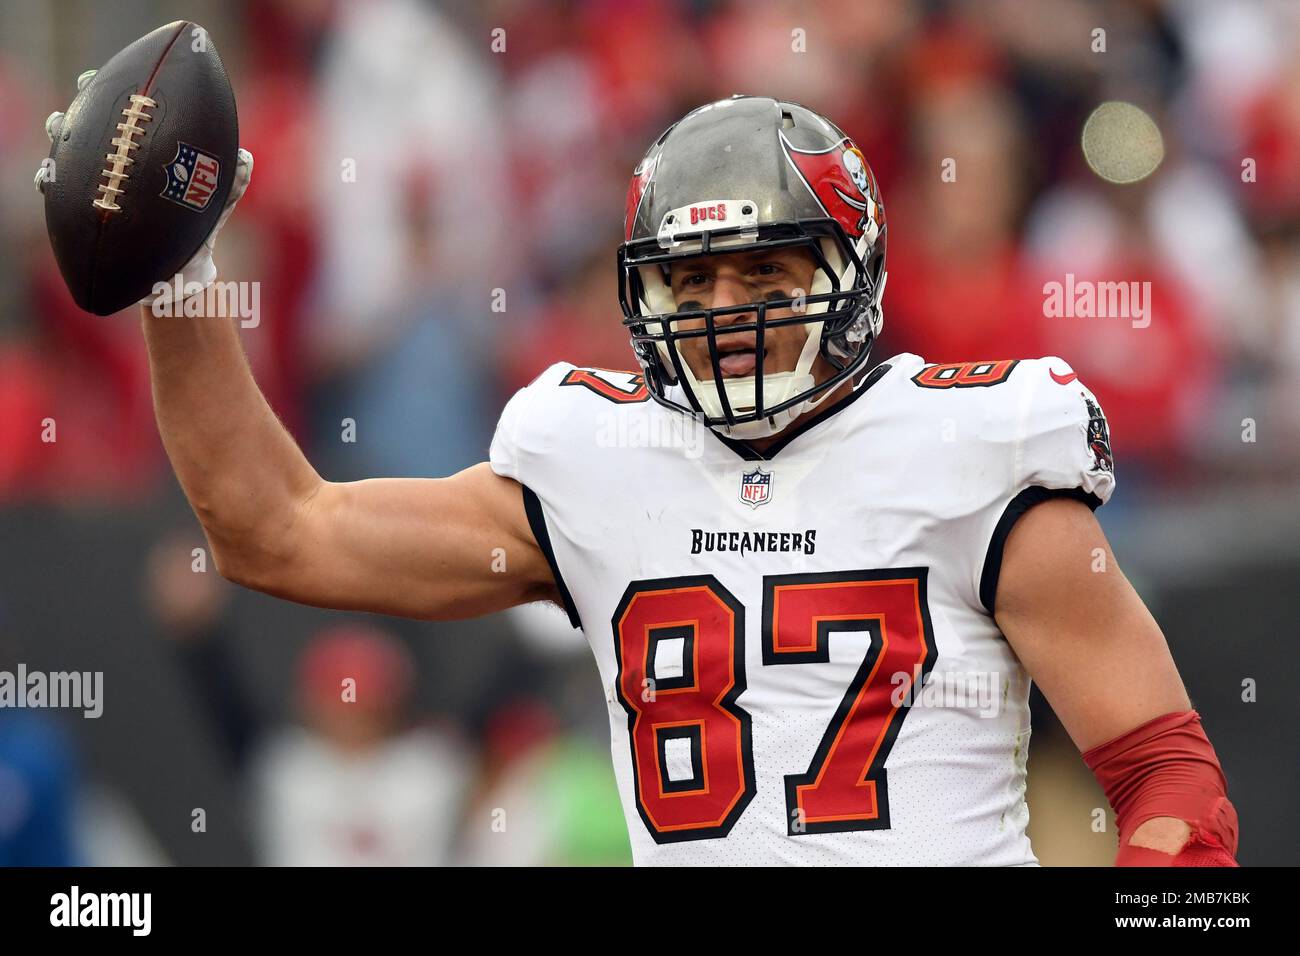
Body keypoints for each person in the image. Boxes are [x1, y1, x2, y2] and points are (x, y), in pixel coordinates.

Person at [42, 89, 1238, 866]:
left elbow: (1166, 774)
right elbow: (277, 531)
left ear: (851, 273)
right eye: (692, 279)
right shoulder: (593, 460)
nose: (725, 311)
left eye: (765, 271)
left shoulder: (977, 448)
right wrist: (180, 280)